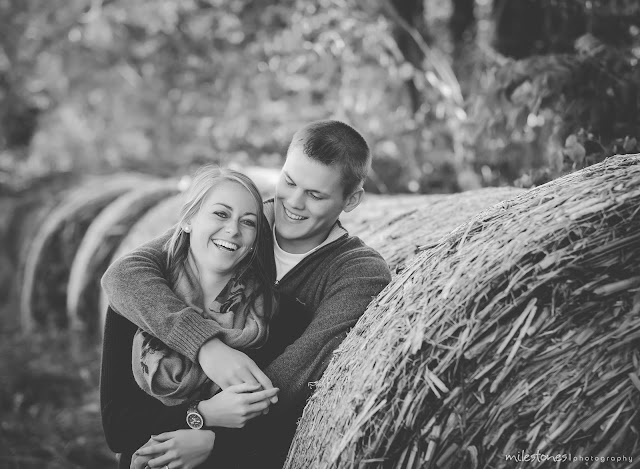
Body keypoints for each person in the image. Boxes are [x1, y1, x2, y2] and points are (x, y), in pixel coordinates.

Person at [101, 120, 393, 468]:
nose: (293, 203)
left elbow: (295, 376)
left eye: (315, 195)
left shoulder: (357, 272)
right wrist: (206, 347)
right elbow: (125, 274)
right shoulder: (242, 218)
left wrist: (211, 437)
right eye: (289, 182)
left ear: (352, 199)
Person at [100, 167, 280, 469]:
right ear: (187, 220)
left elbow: (275, 425)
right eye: (221, 214)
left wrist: (214, 444)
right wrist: (202, 415)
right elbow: (119, 429)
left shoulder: (266, 315)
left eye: (248, 221)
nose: (233, 230)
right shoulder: (139, 300)